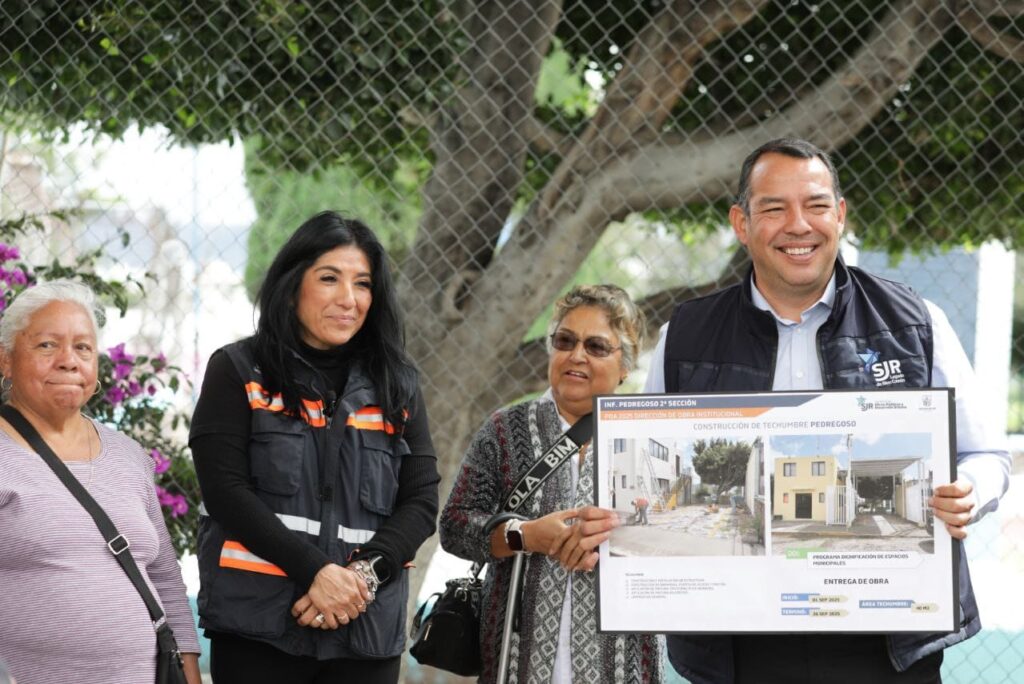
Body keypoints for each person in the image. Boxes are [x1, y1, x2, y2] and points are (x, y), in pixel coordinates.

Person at [640, 138, 1012, 684]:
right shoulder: (684, 337)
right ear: (742, 224)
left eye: (815, 205)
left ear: (839, 215)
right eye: (774, 208)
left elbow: (986, 454)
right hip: (736, 645)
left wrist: (967, 492)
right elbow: (649, 466)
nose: (799, 225)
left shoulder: (917, 324)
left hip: (888, 638)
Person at [190, 212, 440, 683]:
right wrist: (316, 573)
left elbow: (422, 500)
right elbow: (225, 490)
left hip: (364, 631)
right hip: (260, 627)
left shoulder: (398, 385)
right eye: (329, 278)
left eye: (362, 284)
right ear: (291, 285)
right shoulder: (238, 371)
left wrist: (362, 578)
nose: (349, 299)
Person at [440, 284, 664, 684]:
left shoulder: (647, 434)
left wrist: (618, 535)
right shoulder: (504, 430)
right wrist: (523, 536)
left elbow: (676, 538)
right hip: (514, 662)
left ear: (625, 363)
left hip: (622, 665)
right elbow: (455, 526)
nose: (576, 356)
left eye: (596, 346)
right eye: (565, 341)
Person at [0, 280, 201, 684]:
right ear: (5, 360)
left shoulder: (127, 455)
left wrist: (190, 674)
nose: (68, 361)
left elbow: (163, 576)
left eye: (83, 347)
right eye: (46, 345)